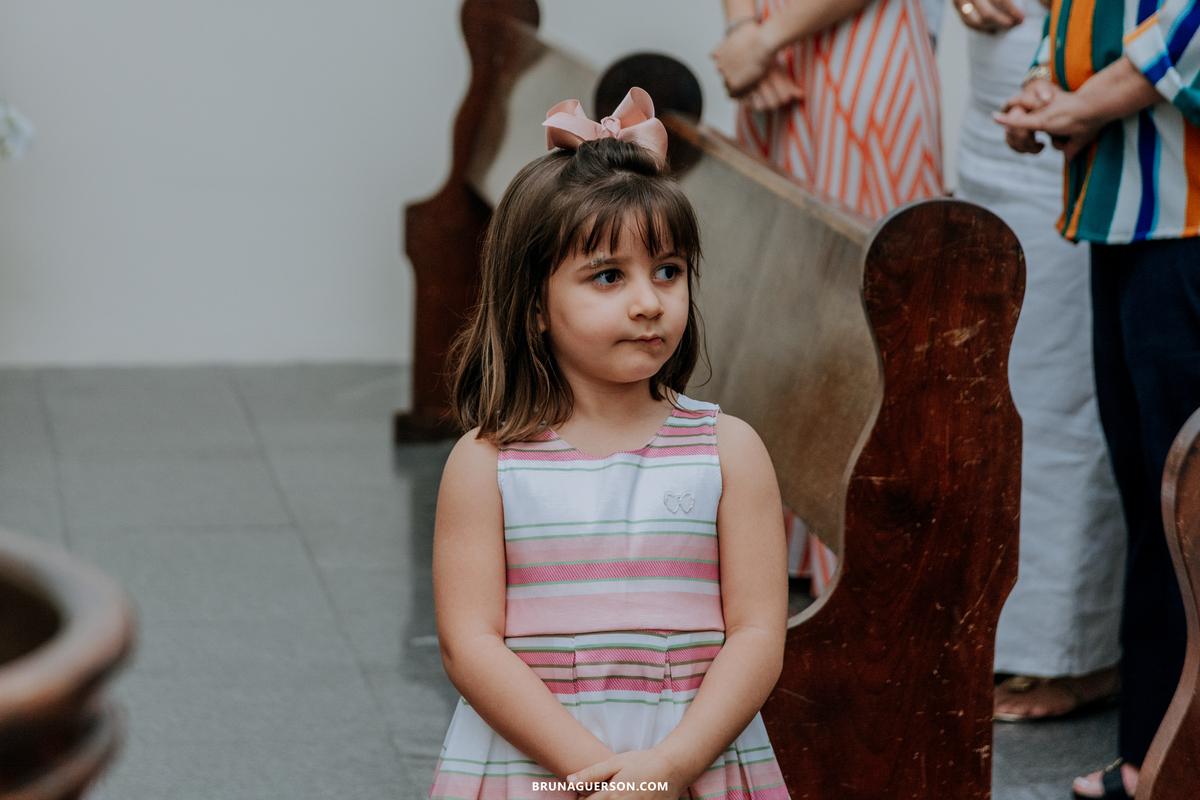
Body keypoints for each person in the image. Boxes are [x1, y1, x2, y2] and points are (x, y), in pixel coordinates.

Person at [426, 88, 790, 800]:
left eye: (668, 270)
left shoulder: (727, 451)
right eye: (607, 276)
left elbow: (756, 634)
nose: (649, 302)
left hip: (693, 758)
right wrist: (598, 775)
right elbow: (470, 645)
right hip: (540, 763)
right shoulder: (489, 463)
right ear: (534, 304)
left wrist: (670, 767)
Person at [994, 1, 1200, 795]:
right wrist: (1043, 90)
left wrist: (1076, 104)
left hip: (1186, 217)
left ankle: (1168, 755)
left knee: (1186, 498)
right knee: (1152, 495)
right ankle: (1155, 744)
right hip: (1120, 215)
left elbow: (1184, 35)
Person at [951, 0, 1125, 722]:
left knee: (1059, 394)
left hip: (1085, 99)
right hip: (998, 104)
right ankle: (998, 631)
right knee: (990, 389)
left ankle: (1074, 652)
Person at [711, 0, 943, 221]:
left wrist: (760, 43)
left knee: (873, 234)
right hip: (766, 61)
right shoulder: (756, 48)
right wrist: (742, 28)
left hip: (862, 50)